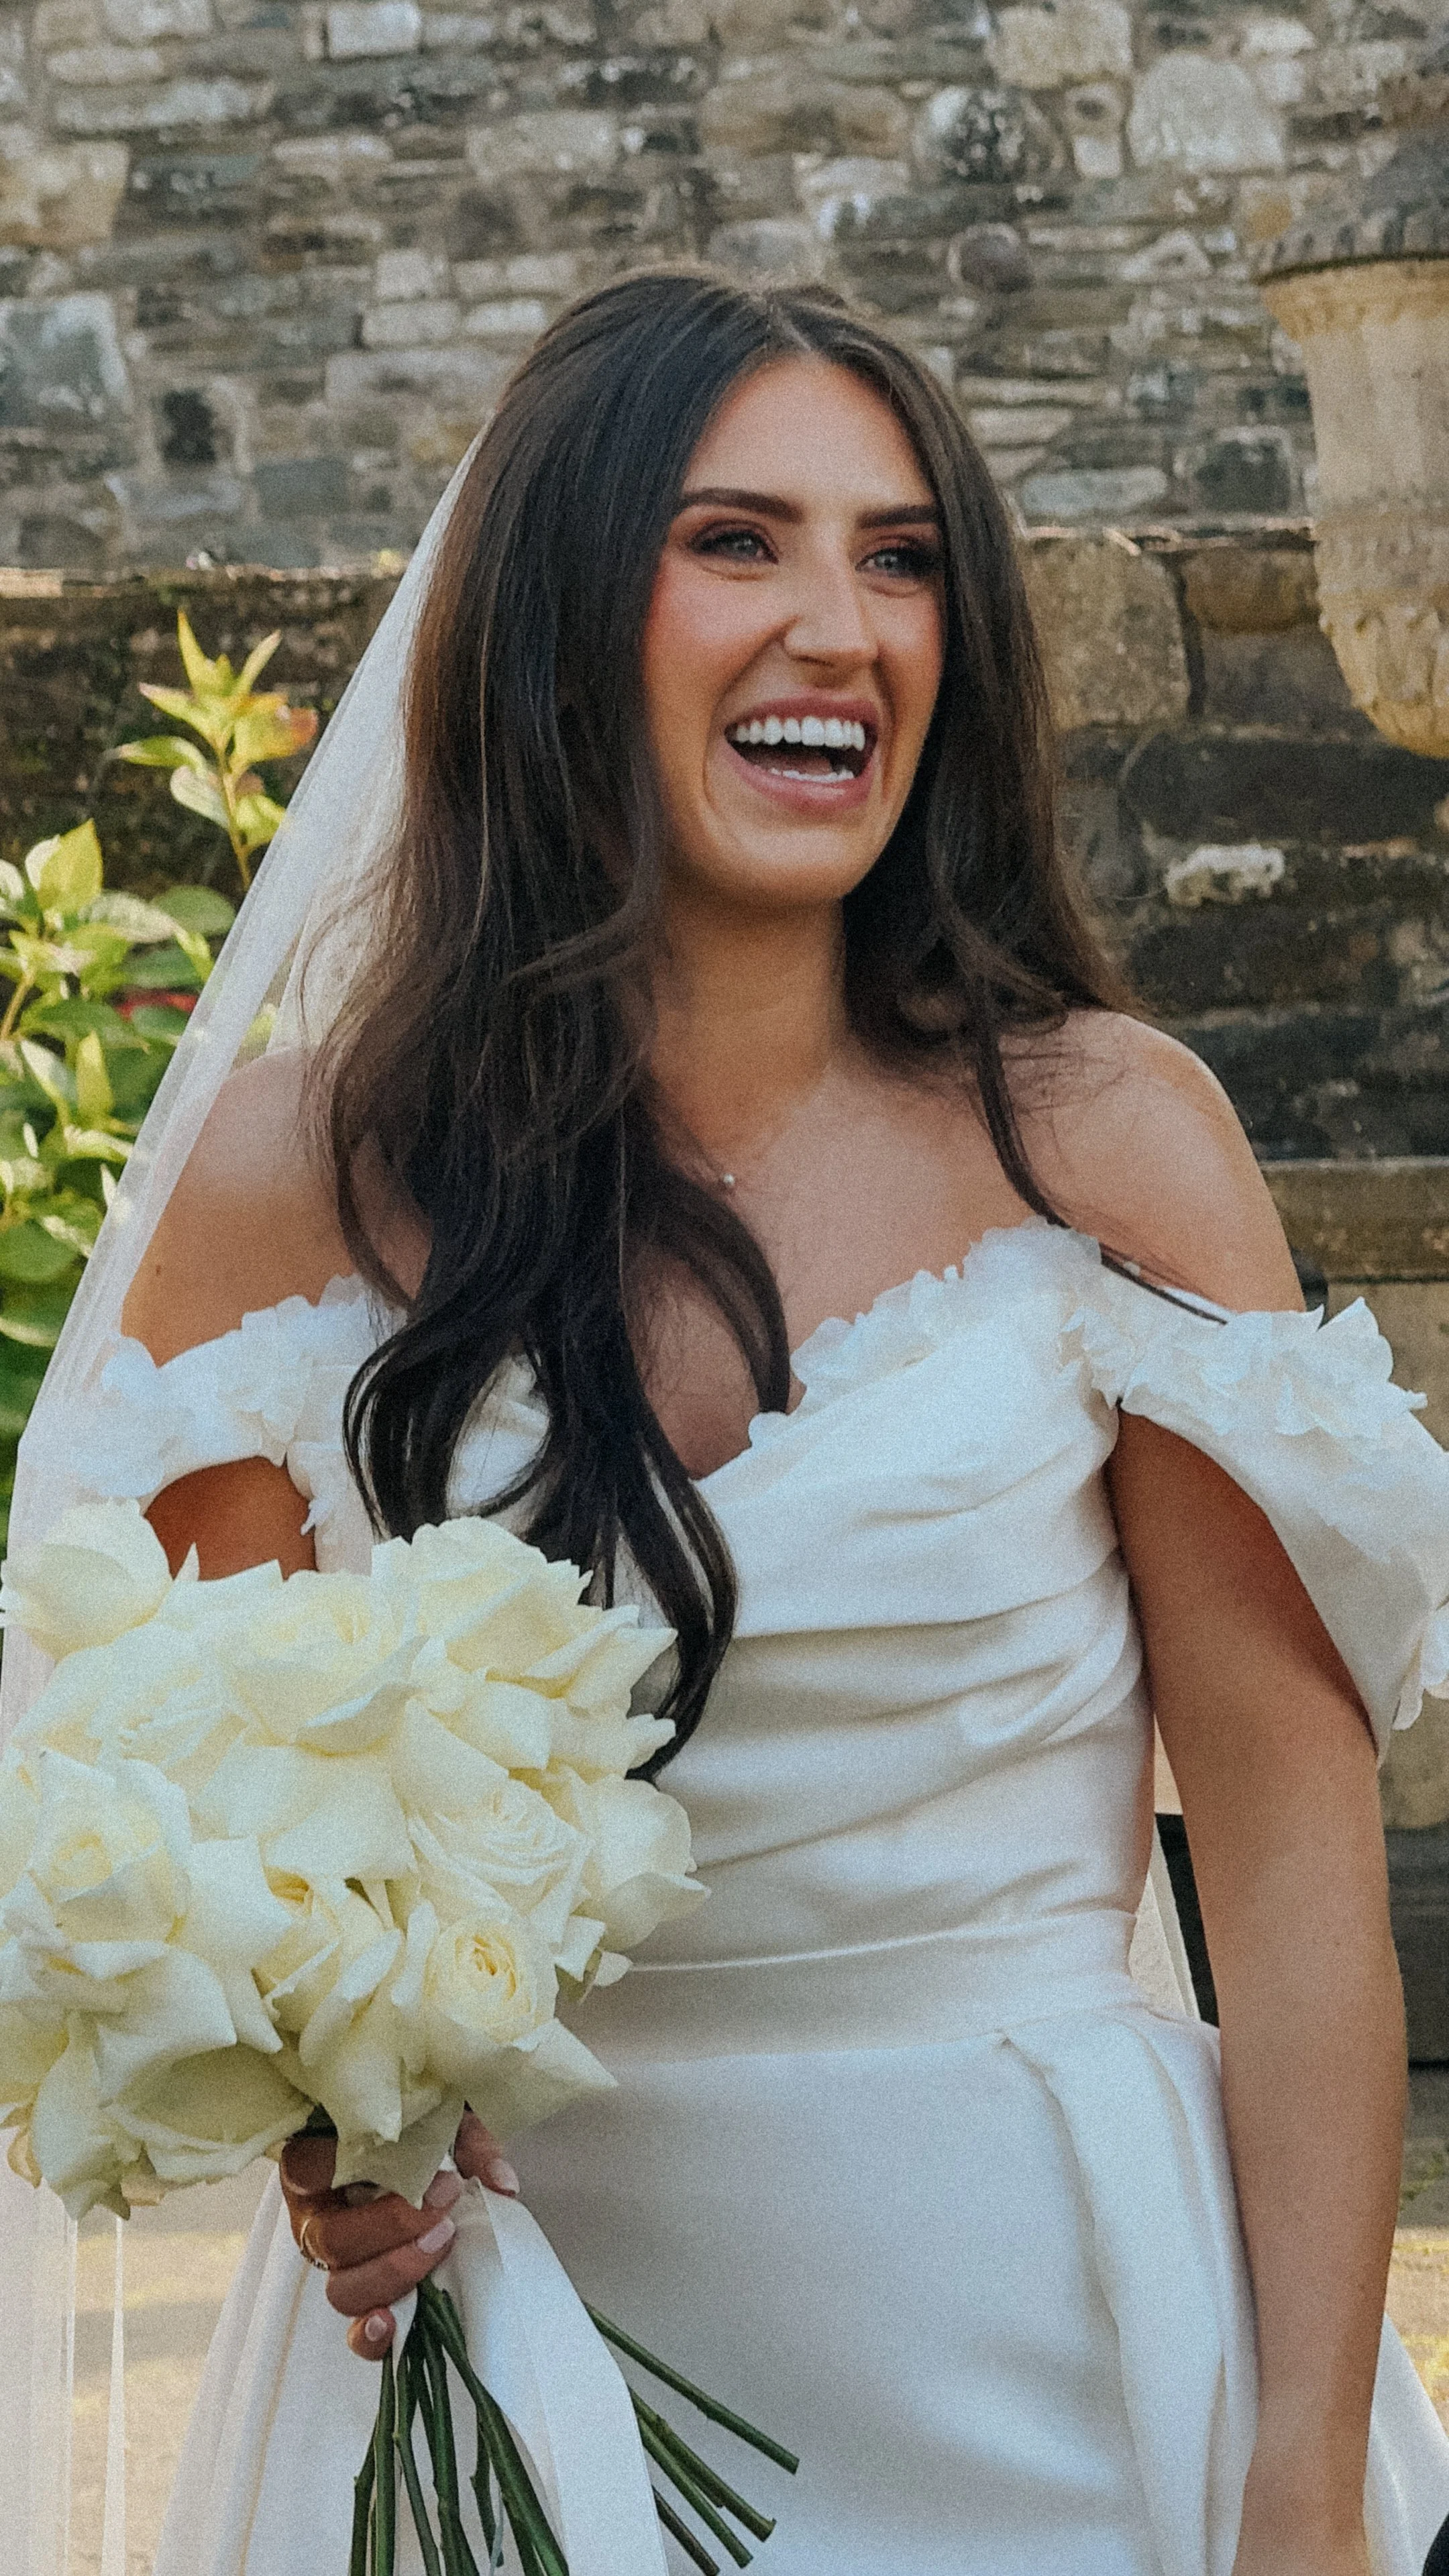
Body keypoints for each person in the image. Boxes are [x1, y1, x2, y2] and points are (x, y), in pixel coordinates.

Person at [38, 266, 1449, 2573]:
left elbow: (1293, 1878)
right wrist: (328, 2140)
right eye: (740, 543)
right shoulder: (285, 1190)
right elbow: (207, 1842)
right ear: (556, 620)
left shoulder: (1106, 1141)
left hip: (1071, 2375)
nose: (845, 627)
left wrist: (1299, 2484)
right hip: (511, 2386)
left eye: (903, 561)